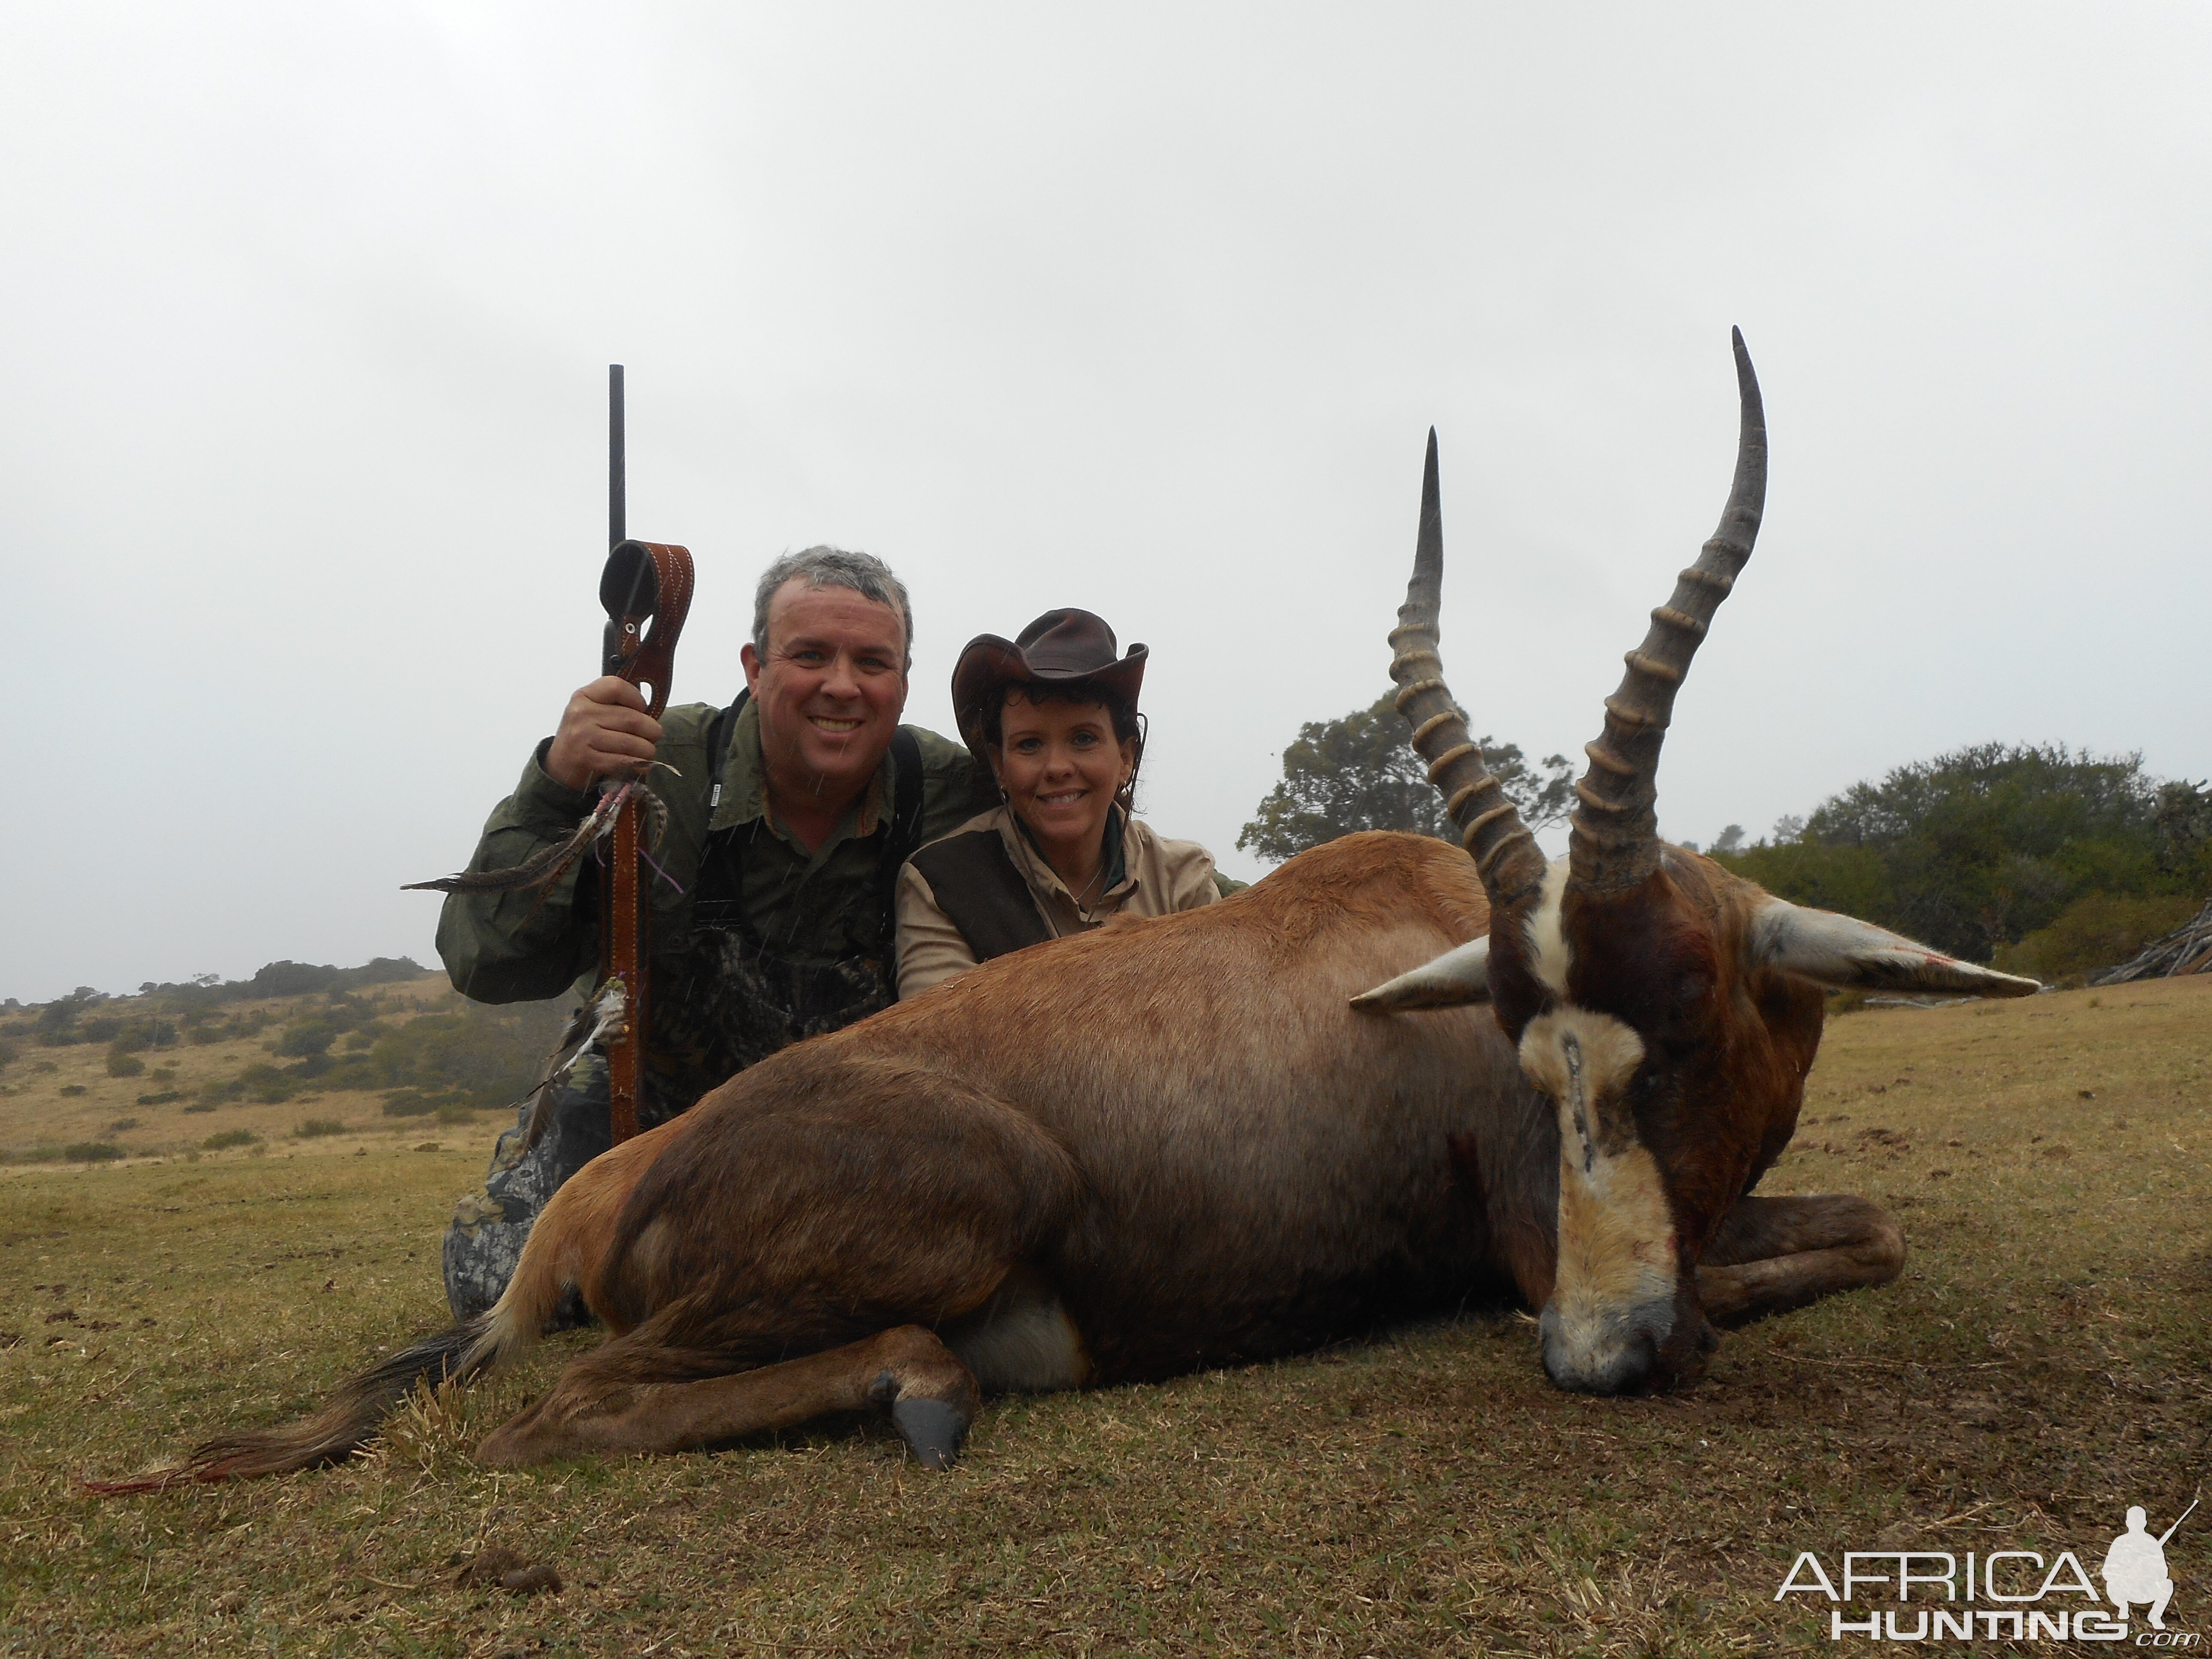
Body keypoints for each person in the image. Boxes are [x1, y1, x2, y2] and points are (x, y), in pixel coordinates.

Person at [437, 546, 999, 1320]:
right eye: (809, 655)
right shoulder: (641, 765)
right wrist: (557, 780)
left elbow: (1093, 865)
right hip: (649, 1112)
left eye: (873, 661)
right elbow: (484, 960)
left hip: (845, 1128)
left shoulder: (955, 791)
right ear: (755, 667)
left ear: (903, 680)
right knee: (499, 1276)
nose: (842, 684)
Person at [895, 608, 1229, 998]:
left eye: (1084, 739)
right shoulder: (941, 883)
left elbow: (1223, 1024)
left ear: (1126, 758)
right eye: (1029, 744)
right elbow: (938, 1044)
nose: (1056, 767)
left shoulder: (1181, 882)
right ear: (1000, 765)